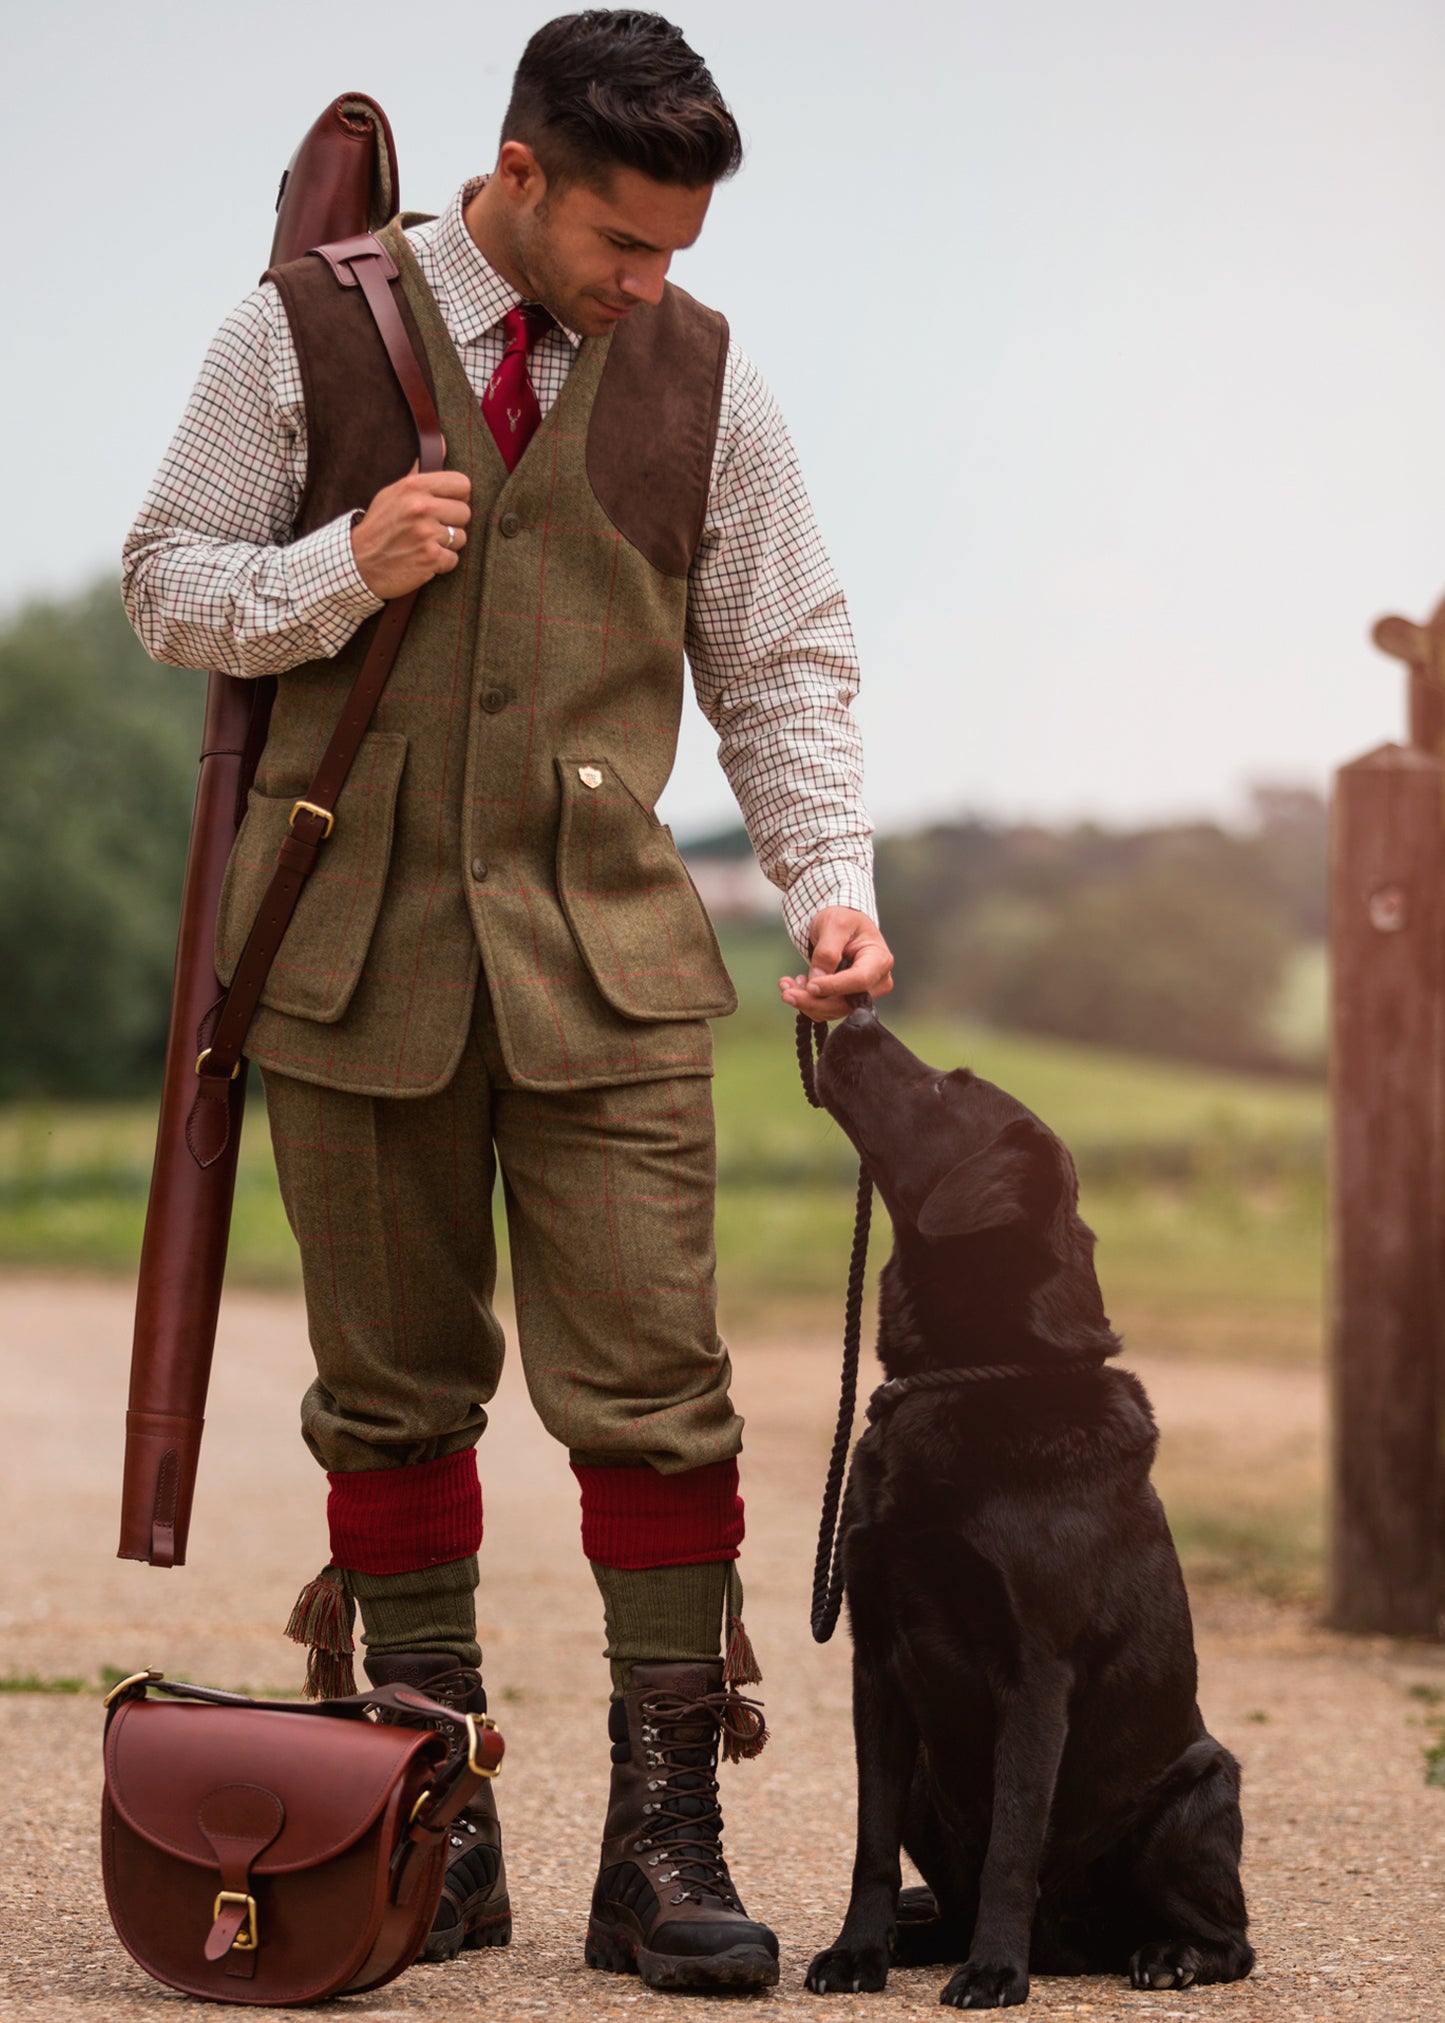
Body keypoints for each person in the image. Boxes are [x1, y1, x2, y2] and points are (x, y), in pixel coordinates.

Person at [123, 8, 893, 1993]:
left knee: (659, 1394)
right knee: (389, 1396)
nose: (650, 283)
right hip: (345, 959)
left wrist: (830, 887)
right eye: (624, 241)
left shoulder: (706, 376)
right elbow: (165, 581)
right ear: (521, 173)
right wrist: (342, 566)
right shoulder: (291, 330)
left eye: (679, 249)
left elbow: (784, 658)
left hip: (611, 965)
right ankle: (428, 1830)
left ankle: (663, 1843)